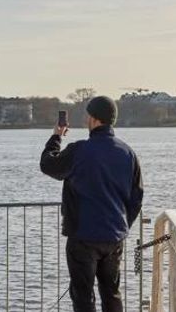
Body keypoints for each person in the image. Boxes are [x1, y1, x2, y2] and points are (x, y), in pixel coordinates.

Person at [40, 96, 144, 312]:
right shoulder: (128, 153)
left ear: (94, 119)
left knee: (83, 297)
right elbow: (137, 197)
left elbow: (48, 164)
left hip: (83, 238)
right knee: (112, 294)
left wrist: (56, 136)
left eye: (88, 115)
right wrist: (122, 225)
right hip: (114, 237)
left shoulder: (79, 150)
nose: (86, 118)